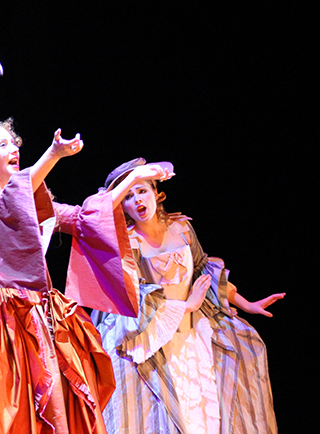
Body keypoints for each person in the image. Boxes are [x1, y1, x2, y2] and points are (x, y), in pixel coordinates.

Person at [0, 25, 170, 434]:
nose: (14, 148)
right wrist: (52, 154)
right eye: (2, 144)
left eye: (14, 142)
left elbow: (84, 218)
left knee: (56, 407)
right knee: (3, 409)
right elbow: (4, 203)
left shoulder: (32, 195)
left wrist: (130, 179)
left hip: (41, 312)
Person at [92, 158, 282, 434]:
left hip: (192, 332)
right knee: (160, 415)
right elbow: (138, 299)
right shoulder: (128, 243)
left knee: (207, 409)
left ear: (157, 193)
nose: (137, 201)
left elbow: (206, 273)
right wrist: (186, 304)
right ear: (121, 205)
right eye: (128, 196)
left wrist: (247, 304)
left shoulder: (182, 228)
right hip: (153, 335)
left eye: (142, 191)